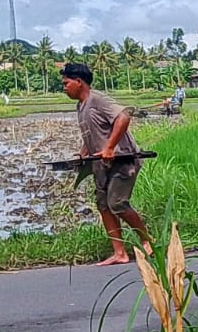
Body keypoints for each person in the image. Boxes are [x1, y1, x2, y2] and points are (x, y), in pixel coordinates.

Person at [60, 62, 154, 266]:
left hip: (122, 160)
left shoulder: (97, 100)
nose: (64, 88)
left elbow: (123, 116)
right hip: (101, 165)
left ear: (78, 82)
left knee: (117, 203)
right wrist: (82, 155)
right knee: (103, 205)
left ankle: (147, 240)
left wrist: (110, 147)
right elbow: (92, 135)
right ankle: (119, 252)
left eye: (66, 83)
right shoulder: (81, 106)